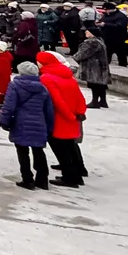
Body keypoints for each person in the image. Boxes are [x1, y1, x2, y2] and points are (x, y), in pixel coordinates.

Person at [0, 62, 53, 190]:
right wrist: (49, 126)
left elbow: (9, 105)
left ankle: (27, 179)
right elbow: (48, 109)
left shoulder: (15, 85)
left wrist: (4, 121)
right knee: (38, 151)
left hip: (21, 122)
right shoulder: (43, 88)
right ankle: (42, 179)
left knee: (22, 151)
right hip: (39, 122)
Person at [37, 52, 87, 187]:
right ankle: (77, 176)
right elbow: (79, 97)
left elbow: (56, 101)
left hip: (60, 119)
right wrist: (79, 113)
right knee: (70, 147)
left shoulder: (46, 78)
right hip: (73, 117)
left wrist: (69, 117)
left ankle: (69, 178)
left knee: (61, 150)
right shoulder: (68, 76)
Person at [72, 27, 111, 108]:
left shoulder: (91, 43)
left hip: (93, 67)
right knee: (101, 84)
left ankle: (95, 102)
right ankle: (103, 101)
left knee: (94, 84)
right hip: (101, 66)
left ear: (92, 33)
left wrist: (75, 57)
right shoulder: (100, 41)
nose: (86, 32)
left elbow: (81, 55)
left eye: (88, 31)